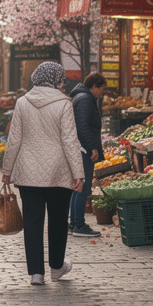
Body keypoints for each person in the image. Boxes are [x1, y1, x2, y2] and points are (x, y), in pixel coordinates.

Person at [1, 62, 84, 287]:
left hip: (28, 172)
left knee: (33, 222)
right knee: (57, 221)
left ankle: (36, 273)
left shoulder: (22, 102)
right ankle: (57, 267)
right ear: (57, 79)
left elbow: (14, 138)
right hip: (59, 171)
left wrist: (7, 171)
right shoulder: (63, 103)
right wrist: (79, 173)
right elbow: (69, 140)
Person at [69, 73, 105, 237]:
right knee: (82, 186)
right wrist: (92, 148)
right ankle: (79, 225)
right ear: (94, 86)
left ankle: (74, 223)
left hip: (80, 148)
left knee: (78, 186)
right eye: (101, 90)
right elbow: (82, 126)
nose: (101, 94)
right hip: (83, 150)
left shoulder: (80, 96)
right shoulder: (85, 99)